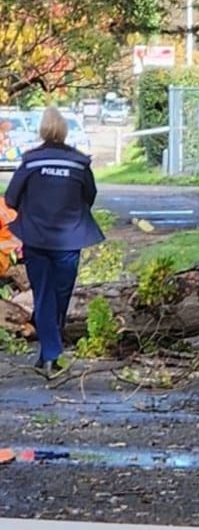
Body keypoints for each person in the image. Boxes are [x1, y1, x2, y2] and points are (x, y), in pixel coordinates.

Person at [3, 106, 102, 379]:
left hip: (36, 238)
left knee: (44, 295)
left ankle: (49, 353)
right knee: (59, 296)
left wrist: (33, 206)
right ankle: (52, 353)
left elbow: (10, 198)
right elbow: (90, 196)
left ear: (42, 129)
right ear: (65, 130)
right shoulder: (79, 162)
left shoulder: (32, 161)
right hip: (69, 239)